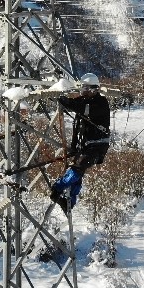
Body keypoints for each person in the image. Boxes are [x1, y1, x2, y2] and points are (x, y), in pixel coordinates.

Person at [51, 73, 111, 212]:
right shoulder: (84, 101)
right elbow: (76, 110)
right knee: (79, 170)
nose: (83, 91)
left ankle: (58, 188)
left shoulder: (101, 102)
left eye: (85, 88)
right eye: (82, 88)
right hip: (85, 144)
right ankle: (69, 201)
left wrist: (66, 101)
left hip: (98, 144)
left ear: (93, 89)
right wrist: (59, 100)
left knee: (79, 166)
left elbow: (83, 108)